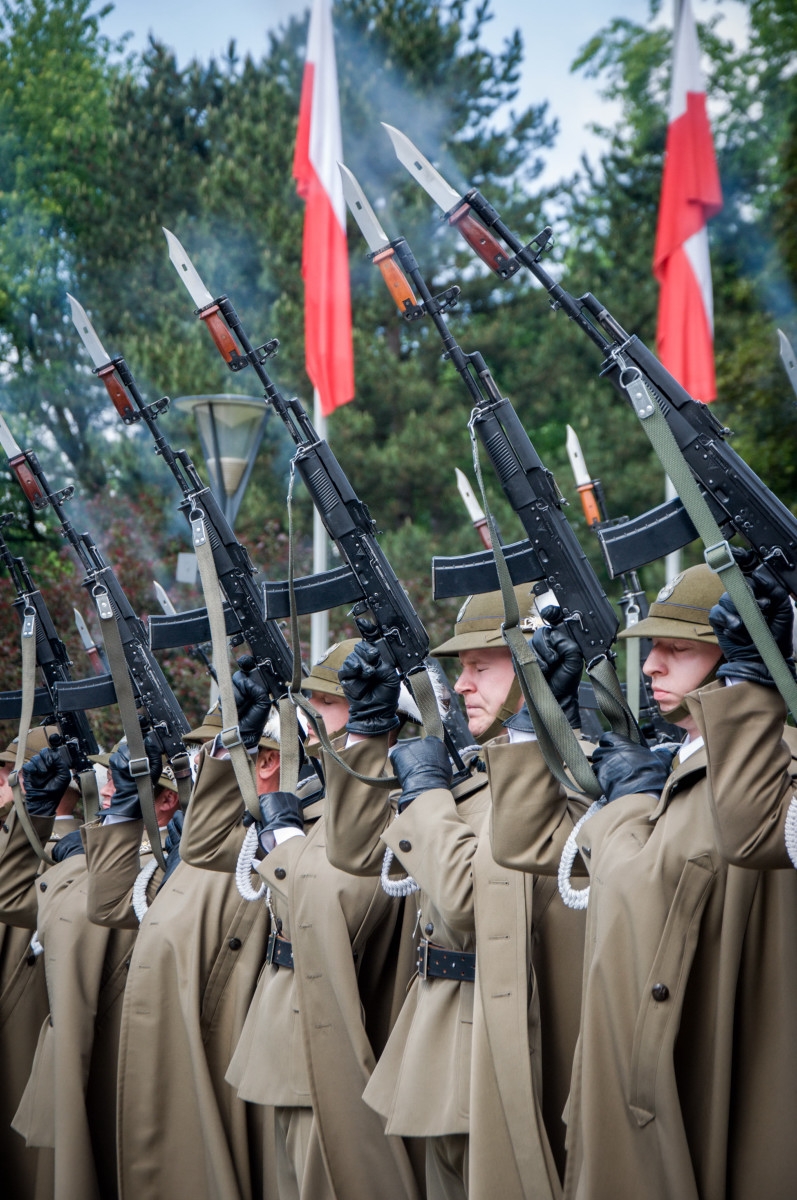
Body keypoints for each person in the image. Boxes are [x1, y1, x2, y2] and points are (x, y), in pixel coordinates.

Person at [489, 563, 797, 1199]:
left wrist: (628, 802)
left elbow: (641, 893)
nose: (652, 665)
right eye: (652, 647)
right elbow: (529, 843)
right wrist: (537, 721)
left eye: (678, 649)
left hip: (714, 1071)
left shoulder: (766, 768)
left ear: (741, 651)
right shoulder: (678, 758)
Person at [323, 586, 585, 1200]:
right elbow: (355, 853)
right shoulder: (474, 778)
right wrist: (367, 728)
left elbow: (474, 902)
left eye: (481, 667)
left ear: (533, 663)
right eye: (460, 669)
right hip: (441, 1053)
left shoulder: (571, 779)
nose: (463, 684)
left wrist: (429, 797)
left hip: (507, 1053)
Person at [181, 640, 421, 1200]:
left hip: (336, 1056)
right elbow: (205, 842)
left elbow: (338, 907)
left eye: (328, 703)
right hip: (277, 1050)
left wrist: (285, 842)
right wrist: (231, 739)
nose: (310, 717)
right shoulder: (315, 797)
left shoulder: (398, 806)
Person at [83, 686, 270, 1200]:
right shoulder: (192, 847)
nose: (203, 770)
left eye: (219, 758)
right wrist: (122, 812)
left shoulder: (257, 842)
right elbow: (110, 907)